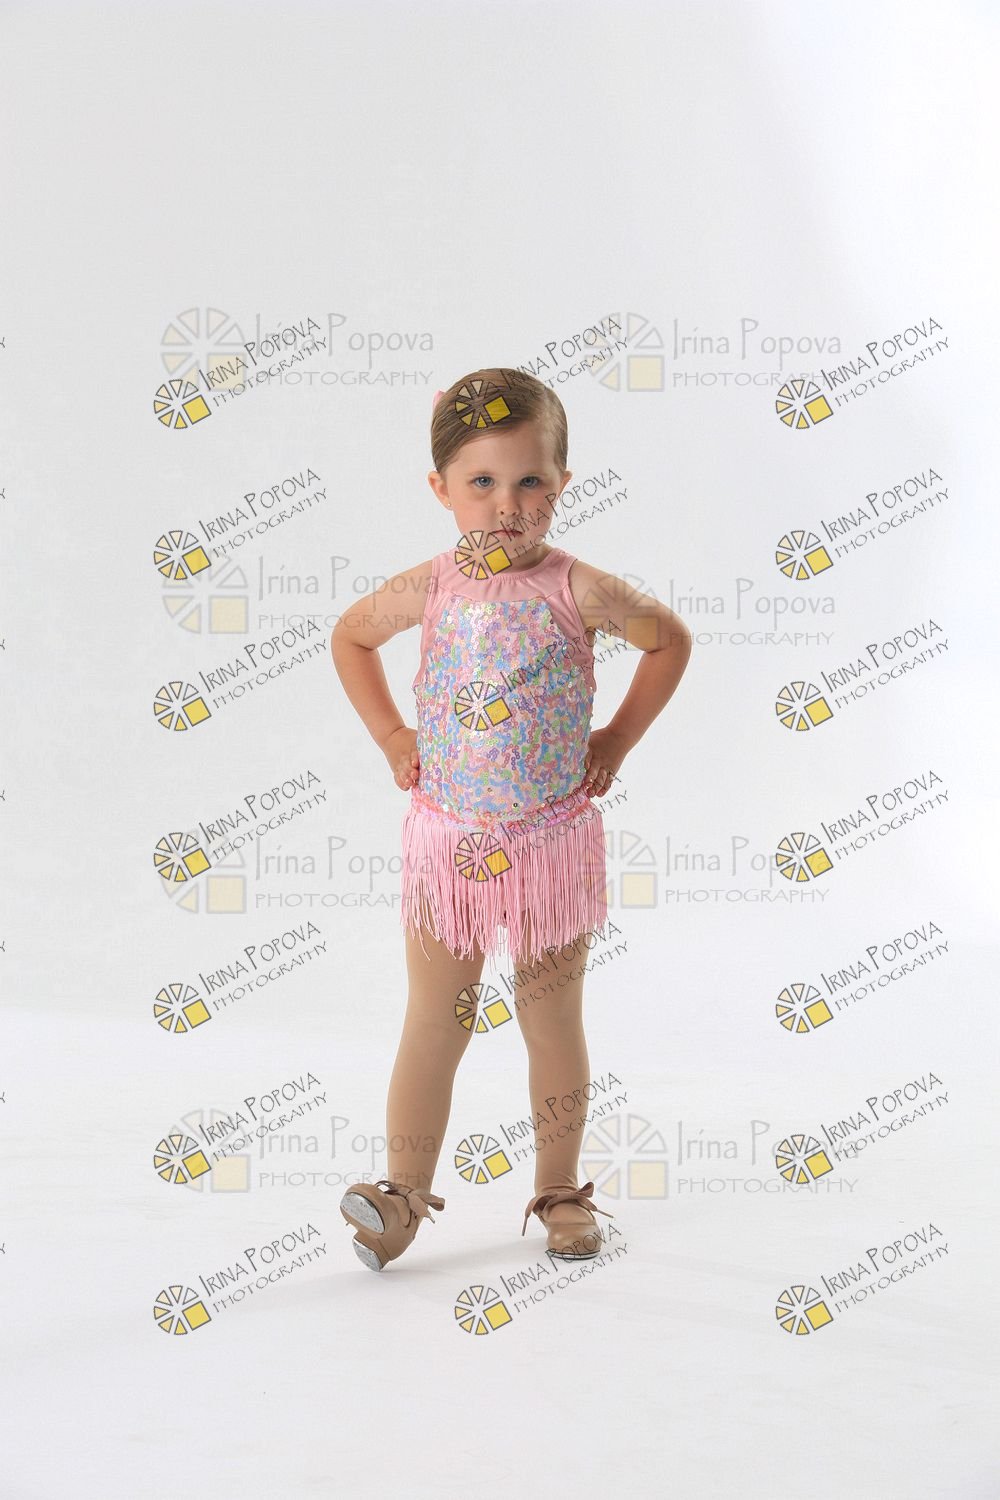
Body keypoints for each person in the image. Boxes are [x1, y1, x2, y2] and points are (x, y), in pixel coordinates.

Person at [329, 367, 692, 1271]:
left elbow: (669, 640)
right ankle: (402, 1196)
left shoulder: (579, 588)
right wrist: (392, 735)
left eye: (531, 480)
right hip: (449, 842)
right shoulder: (431, 585)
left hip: (549, 848)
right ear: (441, 488)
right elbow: (351, 635)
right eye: (482, 482)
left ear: (563, 482)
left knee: (550, 1019)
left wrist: (616, 740)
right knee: (436, 1017)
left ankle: (560, 1190)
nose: (507, 504)